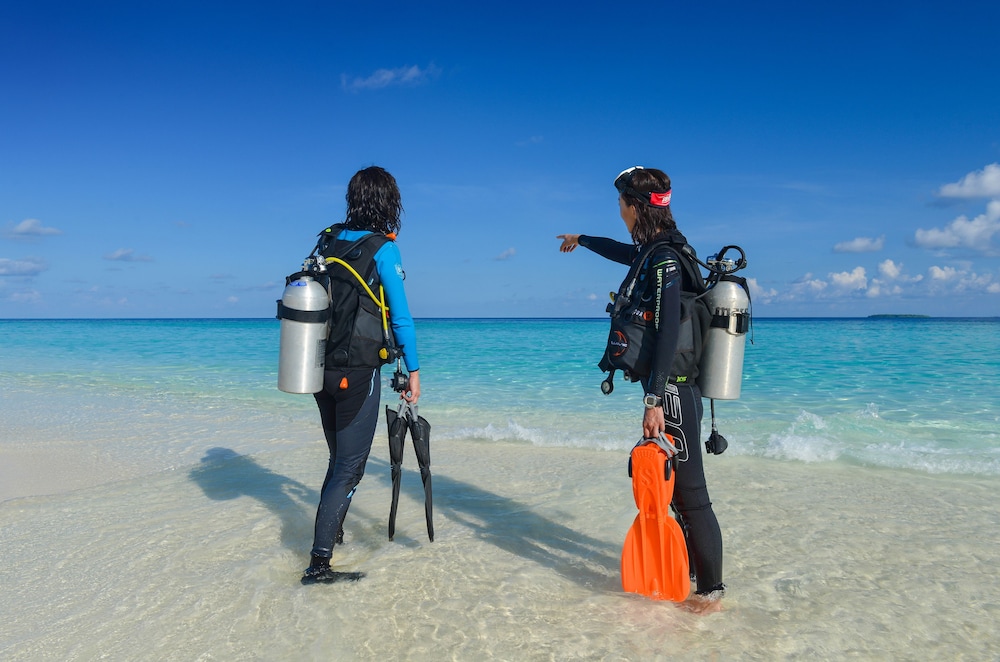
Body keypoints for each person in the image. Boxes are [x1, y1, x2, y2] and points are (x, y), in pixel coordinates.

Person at [557, 166, 724, 614]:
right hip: (670, 387)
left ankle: (712, 595)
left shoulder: (664, 259)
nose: (619, 211)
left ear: (635, 207)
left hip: (673, 389)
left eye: (621, 204)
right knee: (680, 497)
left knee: (692, 497)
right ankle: (692, 579)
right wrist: (581, 239)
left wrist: (654, 399)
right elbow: (622, 252)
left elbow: (668, 331)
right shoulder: (656, 250)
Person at [302, 166, 421, 584]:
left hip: (316, 367)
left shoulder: (327, 239)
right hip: (357, 372)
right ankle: (319, 565)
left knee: (339, 461)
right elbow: (401, 317)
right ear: (389, 204)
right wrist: (414, 369)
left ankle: (332, 533)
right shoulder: (384, 249)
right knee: (350, 467)